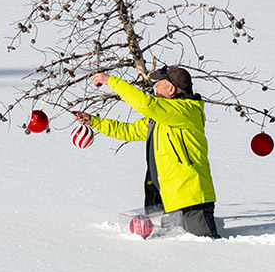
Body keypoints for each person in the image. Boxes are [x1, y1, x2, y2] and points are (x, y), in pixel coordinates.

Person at [73, 65, 221, 239]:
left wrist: (111, 81)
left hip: (193, 200)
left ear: (171, 89)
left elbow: (146, 104)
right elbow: (128, 131)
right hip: (170, 201)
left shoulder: (187, 111)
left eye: (159, 83)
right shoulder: (161, 119)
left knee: (207, 250)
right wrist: (94, 122)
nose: (155, 86)